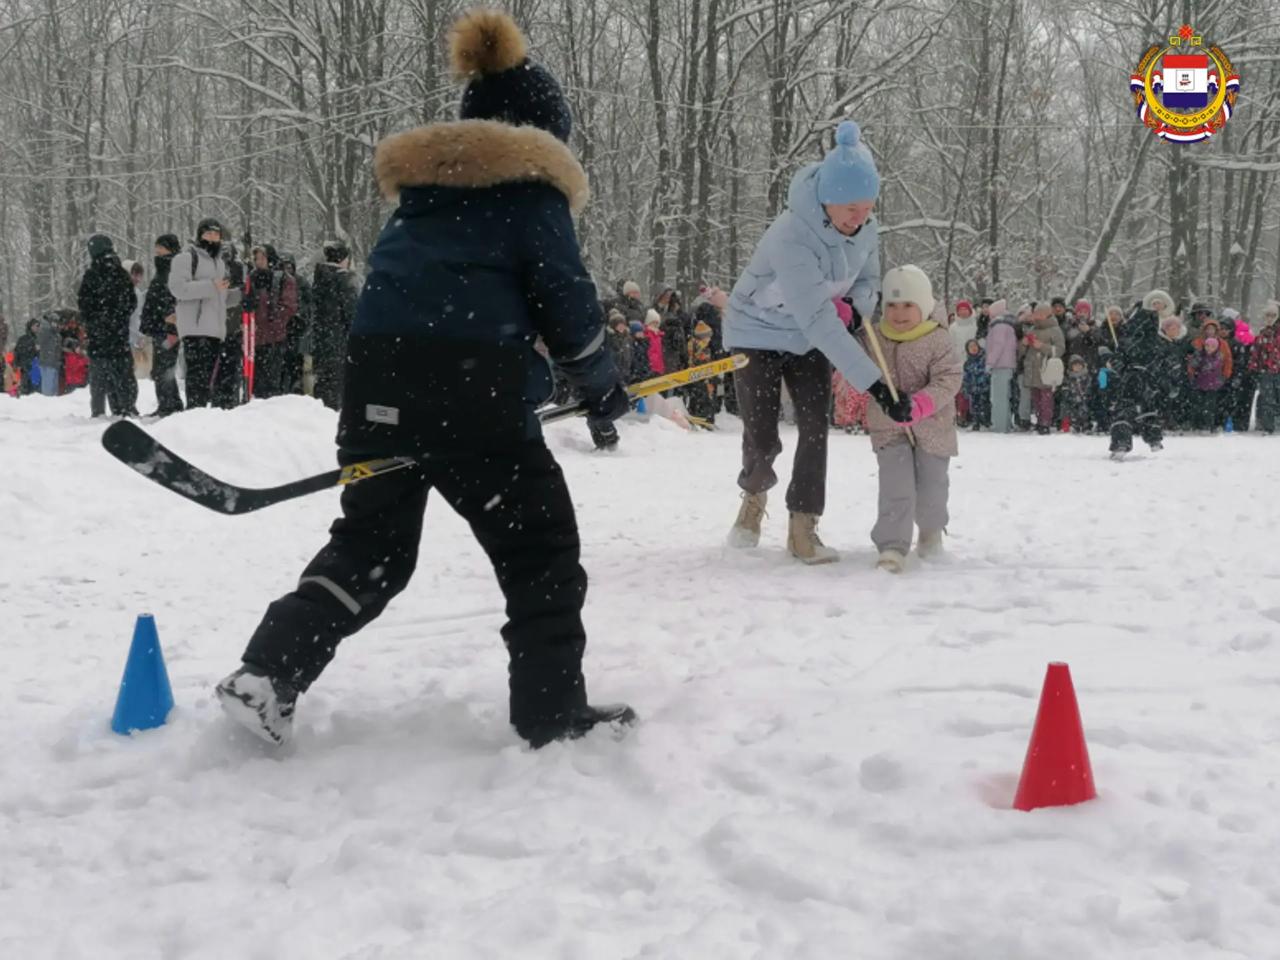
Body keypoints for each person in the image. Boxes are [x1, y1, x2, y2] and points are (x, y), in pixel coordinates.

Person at [215, 8, 633, 750]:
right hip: (474, 395)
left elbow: (413, 306)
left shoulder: (419, 203)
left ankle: (268, 671)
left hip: (376, 383)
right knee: (540, 553)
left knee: (370, 549)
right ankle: (550, 711)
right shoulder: (532, 195)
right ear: (541, 138)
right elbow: (568, 307)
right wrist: (600, 383)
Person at [715, 119, 912, 565]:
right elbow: (822, 324)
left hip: (806, 336)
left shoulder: (866, 228)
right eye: (851, 208)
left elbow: (868, 280)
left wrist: (857, 303)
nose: (860, 217)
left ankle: (803, 525)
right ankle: (754, 494)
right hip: (756, 332)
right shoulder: (791, 235)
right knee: (763, 433)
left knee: (814, 425)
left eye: (867, 207)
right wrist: (877, 386)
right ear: (828, 199)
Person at [856, 266, 961, 573]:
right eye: (891, 305)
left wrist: (919, 405)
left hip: (933, 428)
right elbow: (853, 361)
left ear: (924, 306)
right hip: (888, 428)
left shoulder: (938, 339)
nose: (898, 314)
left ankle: (930, 532)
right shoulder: (874, 338)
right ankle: (892, 545)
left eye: (907, 306)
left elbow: (949, 379)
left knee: (931, 487)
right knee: (896, 486)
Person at [169, 219, 230, 409]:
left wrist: (242, 296)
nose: (213, 238)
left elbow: (221, 297)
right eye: (208, 233)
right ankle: (194, 414)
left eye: (216, 234)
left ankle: (201, 415)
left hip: (215, 330)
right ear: (199, 235)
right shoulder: (186, 258)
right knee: (197, 378)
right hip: (195, 329)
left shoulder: (220, 263)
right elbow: (178, 289)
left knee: (208, 380)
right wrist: (211, 286)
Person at [77, 235, 139, 416]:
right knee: (123, 375)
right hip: (119, 335)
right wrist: (118, 318)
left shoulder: (91, 275)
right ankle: (125, 408)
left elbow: (84, 305)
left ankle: (98, 412)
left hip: (98, 338)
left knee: (99, 378)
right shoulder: (121, 274)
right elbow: (131, 302)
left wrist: (96, 321)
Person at [311, 239, 359, 410]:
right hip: (339, 342)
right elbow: (352, 314)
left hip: (320, 341)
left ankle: (319, 412)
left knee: (322, 383)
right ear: (342, 259)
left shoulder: (319, 278)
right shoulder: (345, 279)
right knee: (336, 384)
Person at [139, 234, 184, 416]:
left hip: (169, 329)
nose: (158, 250)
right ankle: (169, 403)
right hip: (160, 326)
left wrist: (168, 313)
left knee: (163, 367)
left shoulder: (173, 268)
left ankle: (169, 405)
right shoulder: (163, 268)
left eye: (162, 247)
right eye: (157, 246)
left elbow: (171, 293)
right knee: (161, 367)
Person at [247, 244, 298, 398]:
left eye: (262, 258)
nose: (259, 262)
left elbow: (289, 307)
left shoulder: (282, 278)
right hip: (254, 338)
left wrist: (272, 321)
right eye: (256, 259)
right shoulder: (252, 277)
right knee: (256, 382)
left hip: (275, 337)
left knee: (272, 381)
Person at [984, 299, 1017, 432]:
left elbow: (997, 345)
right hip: (1007, 365)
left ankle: (999, 425)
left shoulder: (998, 327)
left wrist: (990, 362)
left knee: (998, 398)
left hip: (1000, 365)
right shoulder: (1007, 325)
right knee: (1004, 397)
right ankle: (1005, 423)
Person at [1248, 301, 1280, 434]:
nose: (1270, 318)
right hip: (1265, 371)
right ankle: (1268, 426)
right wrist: (1253, 366)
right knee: (1267, 399)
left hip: (1278, 371)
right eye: (1267, 315)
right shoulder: (1261, 334)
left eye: (1273, 315)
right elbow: (1256, 352)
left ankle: (1276, 423)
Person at [962, 339, 990, 430]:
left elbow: (987, 372)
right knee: (974, 406)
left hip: (985, 387)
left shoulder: (985, 358)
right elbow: (966, 377)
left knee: (985, 405)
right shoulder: (967, 363)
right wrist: (966, 388)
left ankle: (986, 421)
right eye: (970, 347)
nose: (973, 348)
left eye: (975, 345)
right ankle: (976, 422)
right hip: (973, 389)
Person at [36, 311, 63, 397]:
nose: (56, 324)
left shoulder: (56, 334)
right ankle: (46, 407)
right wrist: (46, 327)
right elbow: (38, 342)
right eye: (54, 322)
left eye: (57, 322)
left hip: (54, 363)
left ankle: (53, 408)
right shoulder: (45, 330)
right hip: (46, 363)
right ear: (50, 321)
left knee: (54, 390)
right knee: (48, 390)